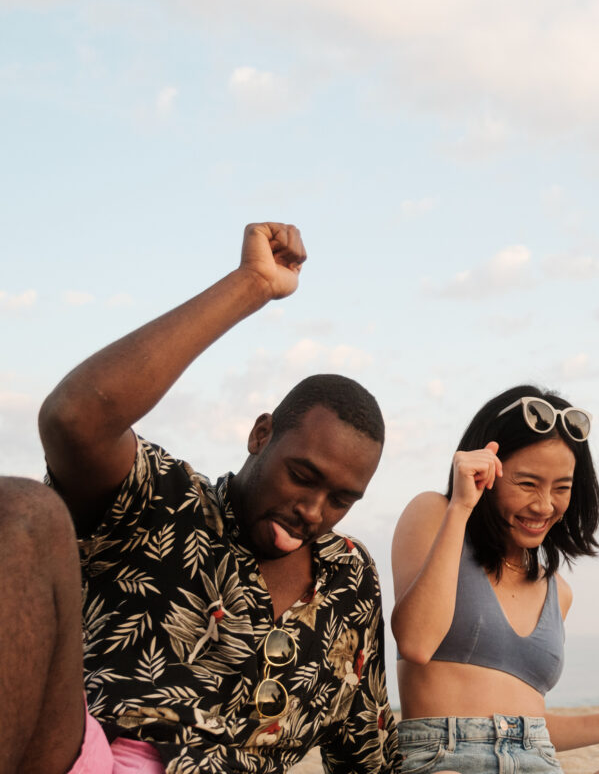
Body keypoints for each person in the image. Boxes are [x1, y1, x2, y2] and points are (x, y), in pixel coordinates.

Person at [24, 223, 398, 773]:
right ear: (260, 435)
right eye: (302, 476)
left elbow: (366, 750)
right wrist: (251, 284)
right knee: (21, 511)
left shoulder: (350, 578)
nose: (315, 510)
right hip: (94, 756)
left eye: (342, 499)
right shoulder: (164, 500)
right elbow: (74, 418)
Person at [390, 385, 599, 774]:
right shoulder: (435, 515)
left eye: (561, 488)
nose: (544, 505)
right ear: (487, 472)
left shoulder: (558, 592)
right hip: (446, 760)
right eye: (526, 483)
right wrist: (460, 506)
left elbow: (526, 726)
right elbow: (416, 642)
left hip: (538, 763)